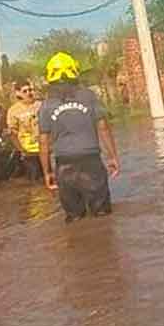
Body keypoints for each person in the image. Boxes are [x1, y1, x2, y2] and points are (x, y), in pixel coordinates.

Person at [38, 52, 120, 222]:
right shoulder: (89, 96)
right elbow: (103, 127)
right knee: (103, 216)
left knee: (74, 218)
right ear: (75, 72)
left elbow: (43, 141)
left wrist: (47, 172)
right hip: (91, 161)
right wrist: (112, 157)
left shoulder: (45, 105)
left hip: (64, 164)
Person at [7, 79, 42, 181]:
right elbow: (12, 133)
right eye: (25, 91)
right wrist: (21, 150)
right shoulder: (13, 111)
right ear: (18, 93)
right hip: (28, 152)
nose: (29, 93)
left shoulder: (41, 105)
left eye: (30, 90)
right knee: (34, 182)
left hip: (44, 149)